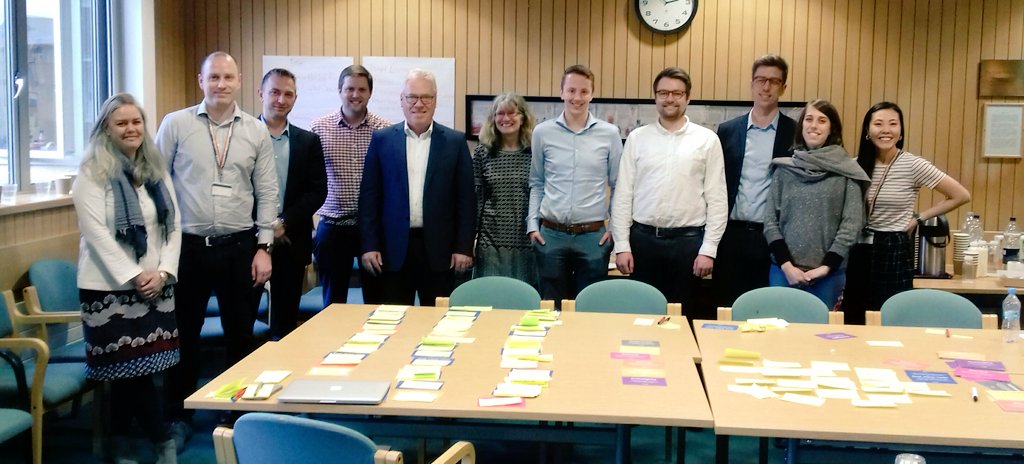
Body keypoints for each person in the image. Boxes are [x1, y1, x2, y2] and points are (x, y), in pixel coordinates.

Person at [155, 51, 278, 447]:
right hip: (187, 247)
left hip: (239, 246)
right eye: (214, 77)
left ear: (239, 80)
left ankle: (235, 411)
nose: (221, 84)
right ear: (201, 80)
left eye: (228, 77)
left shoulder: (256, 130)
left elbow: (267, 191)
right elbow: (156, 184)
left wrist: (264, 246)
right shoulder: (176, 124)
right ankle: (179, 415)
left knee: (240, 335)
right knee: (184, 335)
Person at [73, 93, 180, 464]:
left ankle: (116, 446)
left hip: (156, 286)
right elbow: (97, 235)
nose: (131, 129)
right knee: (130, 373)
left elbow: (173, 226)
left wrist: (163, 272)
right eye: (121, 123)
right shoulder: (91, 172)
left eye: (136, 122)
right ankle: (163, 443)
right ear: (106, 128)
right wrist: (135, 276)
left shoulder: (154, 169)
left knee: (136, 373)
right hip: (107, 290)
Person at [610, 67, 727, 312]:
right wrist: (621, 245)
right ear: (655, 97)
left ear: (688, 97)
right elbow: (623, 196)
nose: (670, 99)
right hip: (643, 242)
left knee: (684, 315)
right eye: (663, 93)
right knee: (643, 314)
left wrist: (709, 249)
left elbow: (717, 200)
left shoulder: (707, 140)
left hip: (688, 245)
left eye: (677, 93)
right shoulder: (637, 138)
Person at [842, 101, 971, 323]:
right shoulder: (854, 165)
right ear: (867, 130)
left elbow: (960, 195)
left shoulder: (913, 164)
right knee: (854, 317)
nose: (886, 130)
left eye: (893, 124)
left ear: (900, 131)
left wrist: (919, 218)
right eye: (878, 124)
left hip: (893, 247)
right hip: (857, 249)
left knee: (890, 316)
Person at [358, 69, 475, 306]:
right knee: (393, 320)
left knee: (439, 319)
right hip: (392, 252)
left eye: (426, 97)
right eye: (412, 97)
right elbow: (369, 197)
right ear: (402, 100)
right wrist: (369, 245)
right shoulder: (382, 140)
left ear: (435, 100)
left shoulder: (455, 142)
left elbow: (466, 200)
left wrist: (463, 247)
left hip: (441, 252)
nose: (419, 104)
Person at [528, 64, 622, 305]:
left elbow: (618, 185)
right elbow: (537, 182)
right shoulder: (542, 132)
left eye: (583, 91)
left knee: (590, 306)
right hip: (550, 235)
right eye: (571, 90)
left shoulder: (610, 134)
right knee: (550, 307)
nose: (577, 97)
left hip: (593, 237)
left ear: (592, 94)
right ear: (561, 92)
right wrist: (532, 225)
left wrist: (615, 228)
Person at [763, 99, 869, 309]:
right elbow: (770, 221)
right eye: (809, 119)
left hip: (828, 277)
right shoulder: (783, 170)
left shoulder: (847, 172)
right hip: (783, 273)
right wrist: (787, 266)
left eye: (822, 120)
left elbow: (851, 225)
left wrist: (826, 267)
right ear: (801, 125)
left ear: (832, 128)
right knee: (780, 329)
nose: (814, 125)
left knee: (821, 330)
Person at [713, 54, 797, 307]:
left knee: (767, 310)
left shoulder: (795, 133)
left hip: (773, 238)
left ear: (783, 87)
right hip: (731, 235)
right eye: (760, 80)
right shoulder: (728, 130)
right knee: (727, 307)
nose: (766, 87)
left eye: (774, 81)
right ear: (752, 83)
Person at [311, 65, 391, 306]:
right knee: (333, 302)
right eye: (349, 89)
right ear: (340, 90)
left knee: (376, 300)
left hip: (372, 228)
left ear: (370, 92)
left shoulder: (384, 130)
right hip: (333, 227)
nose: (355, 95)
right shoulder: (319, 128)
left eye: (362, 89)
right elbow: (310, 179)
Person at [258, 68, 327, 339]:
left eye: (288, 94)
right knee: (242, 322)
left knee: (285, 323)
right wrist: (265, 227)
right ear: (261, 93)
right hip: (248, 242)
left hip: (291, 240)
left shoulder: (308, 141)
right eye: (274, 92)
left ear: (295, 98)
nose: (281, 99)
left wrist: (283, 222)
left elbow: (317, 191)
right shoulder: (243, 136)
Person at [472, 93, 539, 287]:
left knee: (525, 297)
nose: (506, 118)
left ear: (523, 118)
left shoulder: (535, 152)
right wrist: (470, 239)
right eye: (500, 113)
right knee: (490, 296)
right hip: (490, 242)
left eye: (512, 113)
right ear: (493, 118)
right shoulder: (482, 152)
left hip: (527, 241)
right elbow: (477, 199)